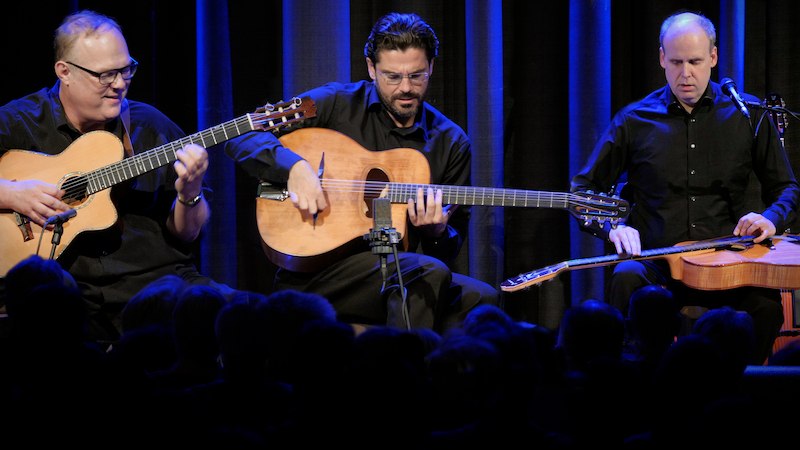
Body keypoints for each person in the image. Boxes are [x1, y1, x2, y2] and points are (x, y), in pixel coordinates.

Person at [224, 12, 498, 334]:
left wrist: (436, 233)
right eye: (392, 77)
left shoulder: (451, 143)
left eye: (417, 76)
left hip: (399, 269)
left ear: (432, 67)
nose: (406, 88)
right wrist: (295, 168)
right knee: (425, 272)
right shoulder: (334, 103)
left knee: (482, 298)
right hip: (321, 272)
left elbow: (449, 247)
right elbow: (241, 133)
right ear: (371, 68)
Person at [571, 11, 800, 365]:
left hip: (729, 262)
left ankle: (741, 396)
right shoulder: (635, 120)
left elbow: (787, 188)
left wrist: (770, 219)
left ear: (713, 57)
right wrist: (613, 227)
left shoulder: (748, 115)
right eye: (675, 62)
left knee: (766, 307)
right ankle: (639, 391)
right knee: (626, 278)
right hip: (657, 259)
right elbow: (583, 189)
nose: (685, 73)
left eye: (694, 61)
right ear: (661, 58)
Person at [0, 10, 232, 344]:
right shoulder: (19, 122)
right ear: (64, 72)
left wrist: (189, 193)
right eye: (105, 75)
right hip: (64, 291)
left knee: (247, 314)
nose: (120, 84)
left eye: (126, 70)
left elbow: (187, 232)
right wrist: (10, 193)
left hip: (155, 283)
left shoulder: (150, 125)